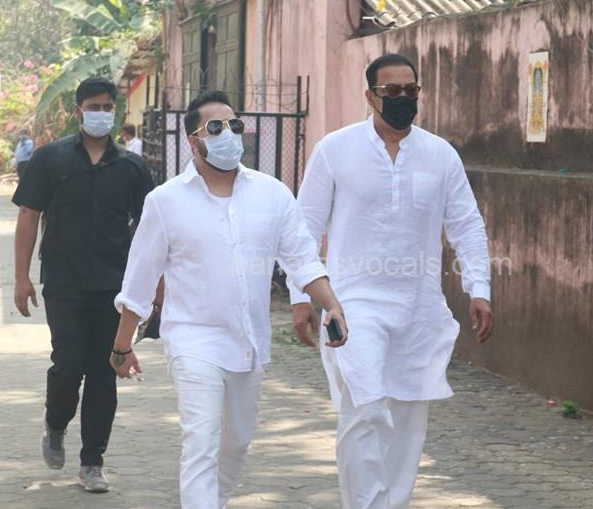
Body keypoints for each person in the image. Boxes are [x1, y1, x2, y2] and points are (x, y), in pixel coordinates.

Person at [109, 90, 348, 509]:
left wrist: (331, 303)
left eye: (234, 125)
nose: (229, 133)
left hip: (249, 342)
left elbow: (302, 258)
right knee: (201, 441)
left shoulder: (272, 194)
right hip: (193, 341)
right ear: (194, 140)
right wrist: (122, 345)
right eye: (216, 127)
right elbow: (140, 281)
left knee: (236, 443)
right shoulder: (165, 201)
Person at [288, 54, 494, 509]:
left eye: (410, 90)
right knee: (365, 411)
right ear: (370, 96)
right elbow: (304, 228)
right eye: (392, 91)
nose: (403, 98)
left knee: (406, 421)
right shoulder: (335, 149)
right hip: (351, 305)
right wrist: (301, 295)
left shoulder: (440, 155)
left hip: (419, 308)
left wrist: (479, 288)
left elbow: (466, 225)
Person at [12, 77, 155, 493]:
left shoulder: (131, 166)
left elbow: (151, 228)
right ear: (78, 112)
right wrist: (21, 277)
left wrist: (151, 286)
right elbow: (28, 216)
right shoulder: (50, 159)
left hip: (114, 287)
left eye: (108, 107)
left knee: (104, 372)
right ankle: (55, 423)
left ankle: (92, 462)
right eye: (94, 107)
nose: (102, 114)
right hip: (64, 281)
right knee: (68, 365)